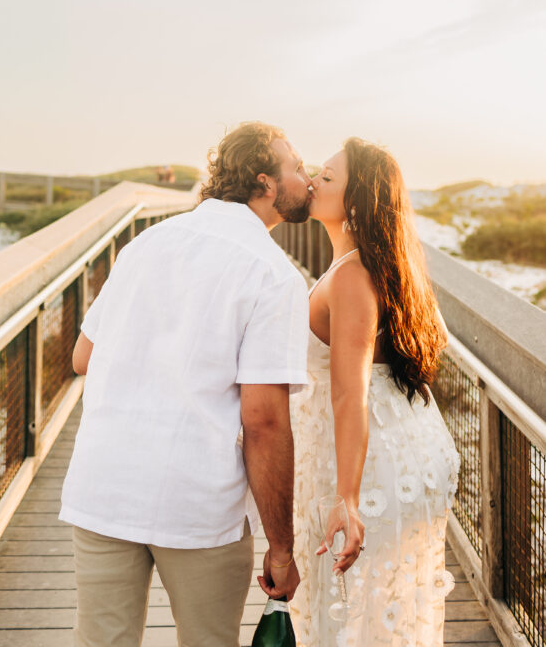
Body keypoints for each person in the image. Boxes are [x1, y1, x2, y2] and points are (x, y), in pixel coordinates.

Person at [60, 122, 314, 647]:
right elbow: (264, 421)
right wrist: (282, 547)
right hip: (195, 500)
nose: (307, 179)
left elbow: (83, 356)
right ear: (265, 183)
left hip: (103, 486)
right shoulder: (274, 275)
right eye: (298, 168)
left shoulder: (147, 242)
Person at [290, 138, 460, 647]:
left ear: (356, 201)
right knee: (382, 606)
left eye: (327, 176)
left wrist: (347, 497)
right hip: (400, 438)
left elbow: (349, 392)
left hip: (370, 462)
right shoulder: (374, 265)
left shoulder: (352, 275)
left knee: (358, 608)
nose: (314, 180)